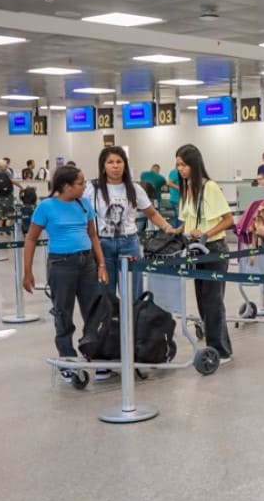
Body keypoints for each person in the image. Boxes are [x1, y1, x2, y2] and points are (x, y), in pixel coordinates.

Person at [21, 165, 108, 365]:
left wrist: (101, 263)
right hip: (61, 265)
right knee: (63, 312)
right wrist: (28, 272)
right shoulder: (46, 207)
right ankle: (67, 356)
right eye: (80, 183)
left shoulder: (84, 204)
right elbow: (31, 239)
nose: (84, 186)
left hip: (87, 264)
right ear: (66, 186)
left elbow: (93, 235)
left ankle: (93, 350)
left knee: (93, 311)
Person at [84, 146, 175, 298]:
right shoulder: (92, 188)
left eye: (119, 162)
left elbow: (151, 213)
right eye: (110, 162)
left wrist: (167, 227)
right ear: (103, 165)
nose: (115, 166)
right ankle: (109, 321)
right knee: (105, 293)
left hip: (129, 243)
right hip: (102, 245)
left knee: (134, 292)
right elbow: (83, 214)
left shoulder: (135, 188)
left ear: (125, 165)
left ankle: (133, 320)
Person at [171, 144, 233, 363]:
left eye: (184, 165)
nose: (181, 169)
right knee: (202, 301)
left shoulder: (210, 187)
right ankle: (216, 345)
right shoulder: (186, 188)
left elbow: (228, 220)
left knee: (213, 301)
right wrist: (176, 232)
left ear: (194, 165)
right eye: (178, 165)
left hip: (214, 249)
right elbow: (186, 221)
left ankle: (220, 350)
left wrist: (206, 233)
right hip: (195, 250)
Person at [166, 162, 181, 227]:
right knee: (180, 217)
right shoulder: (175, 172)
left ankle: (176, 233)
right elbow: (169, 183)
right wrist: (180, 189)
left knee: (177, 217)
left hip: (176, 199)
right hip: (176, 199)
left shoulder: (176, 172)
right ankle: (178, 233)